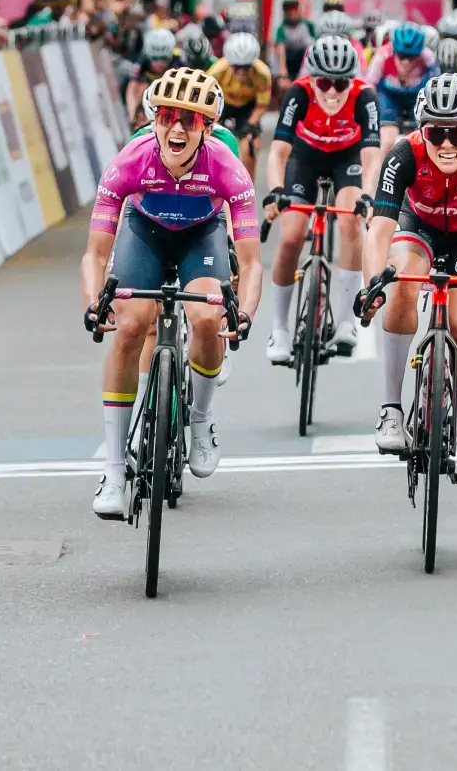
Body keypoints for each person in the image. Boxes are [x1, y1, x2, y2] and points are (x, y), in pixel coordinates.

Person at [80, 67, 262, 519]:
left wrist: (244, 313)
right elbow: (95, 253)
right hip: (144, 231)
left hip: (202, 234)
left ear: (208, 128)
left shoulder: (227, 166)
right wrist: (93, 302)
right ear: (154, 119)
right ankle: (114, 471)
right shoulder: (130, 160)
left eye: (190, 120)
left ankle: (200, 419)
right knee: (131, 327)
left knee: (207, 319)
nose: (177, 128)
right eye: (167, 116)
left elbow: (251, 262)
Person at [357, 73, 457, 488]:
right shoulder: (404, 153)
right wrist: (371, 284)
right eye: (436, 133)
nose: (446, 143)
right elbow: (379, 230)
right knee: (403, 284)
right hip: (420, 227)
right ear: (422, 131)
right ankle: (391, 409)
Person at [260, 34, 382, 362]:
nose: (331, 92)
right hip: (305, 158)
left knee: (350, 223)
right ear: (312, 79)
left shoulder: (365, 97)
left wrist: (367, 196)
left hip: (347, 159)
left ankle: (345, 322)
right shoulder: (298, 93)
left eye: (340, 84)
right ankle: (279, 328)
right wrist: (277, 191)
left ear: (351, 81)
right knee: (291, 236)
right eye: (324, 82)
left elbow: (372, 157)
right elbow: (279, 152)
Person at [207, 30, 274, 171]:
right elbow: (206, 100)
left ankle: (247, 182)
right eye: (237, 68)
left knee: (250, 146)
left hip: (248, 108)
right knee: (212, 144)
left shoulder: (263, 74)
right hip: (223, 106)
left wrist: (251, 124)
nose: (241, 73)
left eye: (246, 67)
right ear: (229, 63)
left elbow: (262, 105)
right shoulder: (216, 72)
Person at [366, 20, 438, 151]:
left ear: (420, 53)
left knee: (421, 139)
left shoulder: (428, 57)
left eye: (411, 57)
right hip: (389, 96)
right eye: (401, 56)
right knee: (387, 140)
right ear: (393, 51)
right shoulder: (382, 54)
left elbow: (436, 86)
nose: (406, 62)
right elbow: (370, 87)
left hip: (417, 95)